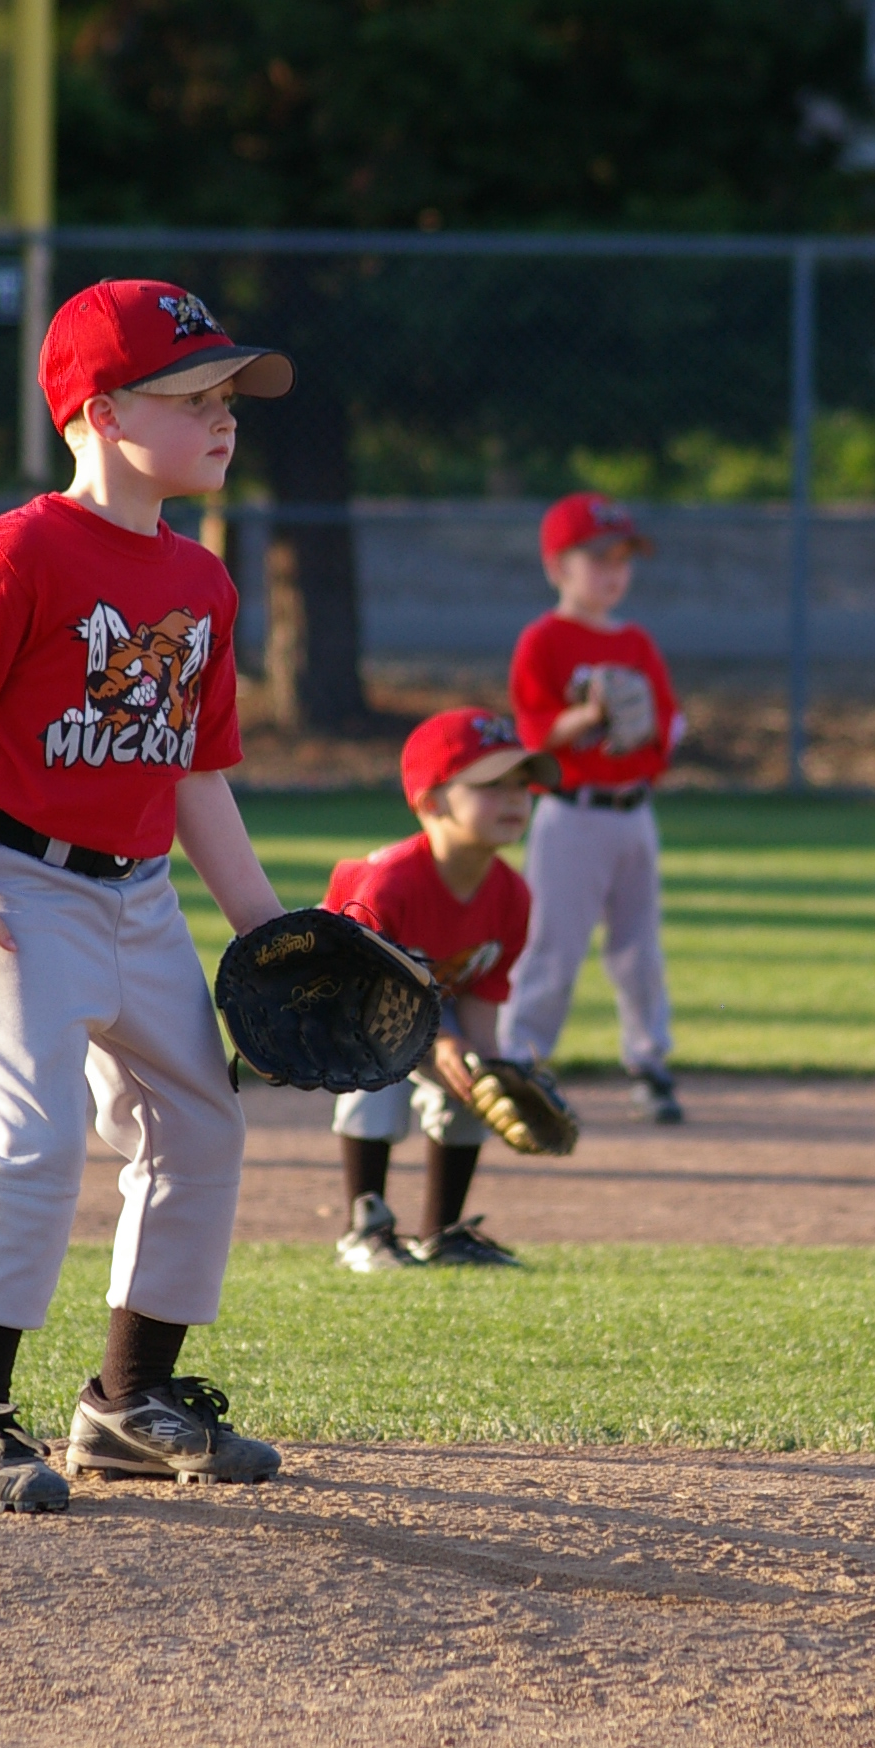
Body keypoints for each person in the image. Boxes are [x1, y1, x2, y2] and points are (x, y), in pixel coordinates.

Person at [0, 276, 296, 1510]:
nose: (223, 416)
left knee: (199, 1125)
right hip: (19, 887)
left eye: (229, 395)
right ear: (103, 412)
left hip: (143, 898)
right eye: (193, 395)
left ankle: (130, 1403)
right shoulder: (21, 549)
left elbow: (195, 775)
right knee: (39, 1135)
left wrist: (267, 928)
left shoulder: (203, 580)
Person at [323, 708, 556, 1270]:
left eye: (521, 784)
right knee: (378, 1070)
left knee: (477, 1076)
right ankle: (366, 1228)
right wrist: (442, 1043)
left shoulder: (512, 896)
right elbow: (366, 997)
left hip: (427, 1009)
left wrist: (487, 1065)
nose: (514, 799)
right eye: (490, 785)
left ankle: (443, 1233)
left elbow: (480, 997)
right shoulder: (388, 884)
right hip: (340, 1004)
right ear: (431, 802)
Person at [500, 491, 686, 1122]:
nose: (614, 571)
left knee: (640, 951)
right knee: (553, 946)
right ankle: (519, 1060)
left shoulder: (637, 642)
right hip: (570, 815)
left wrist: (651, 729)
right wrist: (589, 715)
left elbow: (667, 725)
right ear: (558, 566)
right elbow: (533, 734)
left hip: (634, 813)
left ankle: (649, 1061)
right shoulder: (543, 640)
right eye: (599, 558)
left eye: (623, 558)